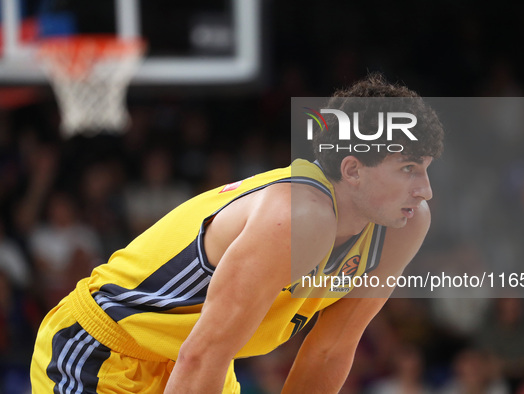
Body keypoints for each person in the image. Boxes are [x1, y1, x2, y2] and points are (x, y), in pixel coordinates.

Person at [30, 73, 444, 393]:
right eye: (408, 169)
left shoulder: (406, 223)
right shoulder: (299, 215)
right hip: (105, 347)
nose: (424, 189)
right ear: (353, 170)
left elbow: (329, 350)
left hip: (198, 357)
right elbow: (201, 354)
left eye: (425, 168)